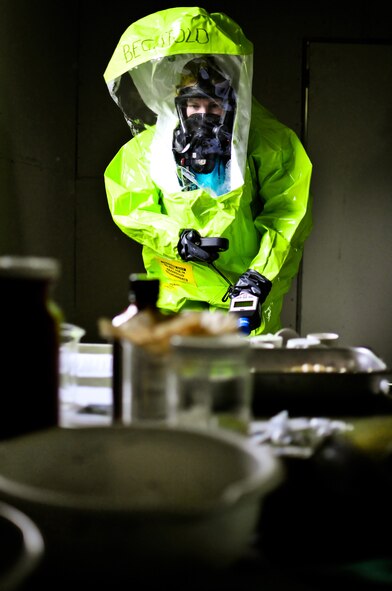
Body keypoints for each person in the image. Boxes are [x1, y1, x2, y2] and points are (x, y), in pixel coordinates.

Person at [103, 6, 313, 335]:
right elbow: (131, 207)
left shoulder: (268, 144)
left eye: (214, 105)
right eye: (194, 104)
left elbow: (286, 216)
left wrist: (259, 277)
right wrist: (178, 241)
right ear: (179, 103)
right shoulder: (146, 151)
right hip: (177, 291)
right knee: (177, 376)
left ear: (231, 103)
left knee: (241, 379)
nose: (204, 114)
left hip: (243, 294)